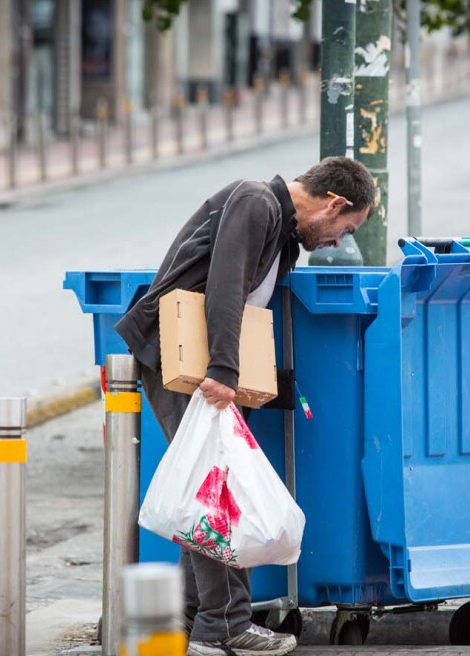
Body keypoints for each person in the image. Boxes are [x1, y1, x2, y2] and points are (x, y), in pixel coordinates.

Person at [115, 157, 375, 656]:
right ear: (334, 202)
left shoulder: (282, 230)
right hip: (183, 358)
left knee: (207, 488)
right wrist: (223, 372)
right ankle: (225, 624)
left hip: (201, 362)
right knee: (216, 492)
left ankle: (193, 622)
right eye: (347, 227)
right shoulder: (257, 202)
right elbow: (226, 284)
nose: (340, 240)